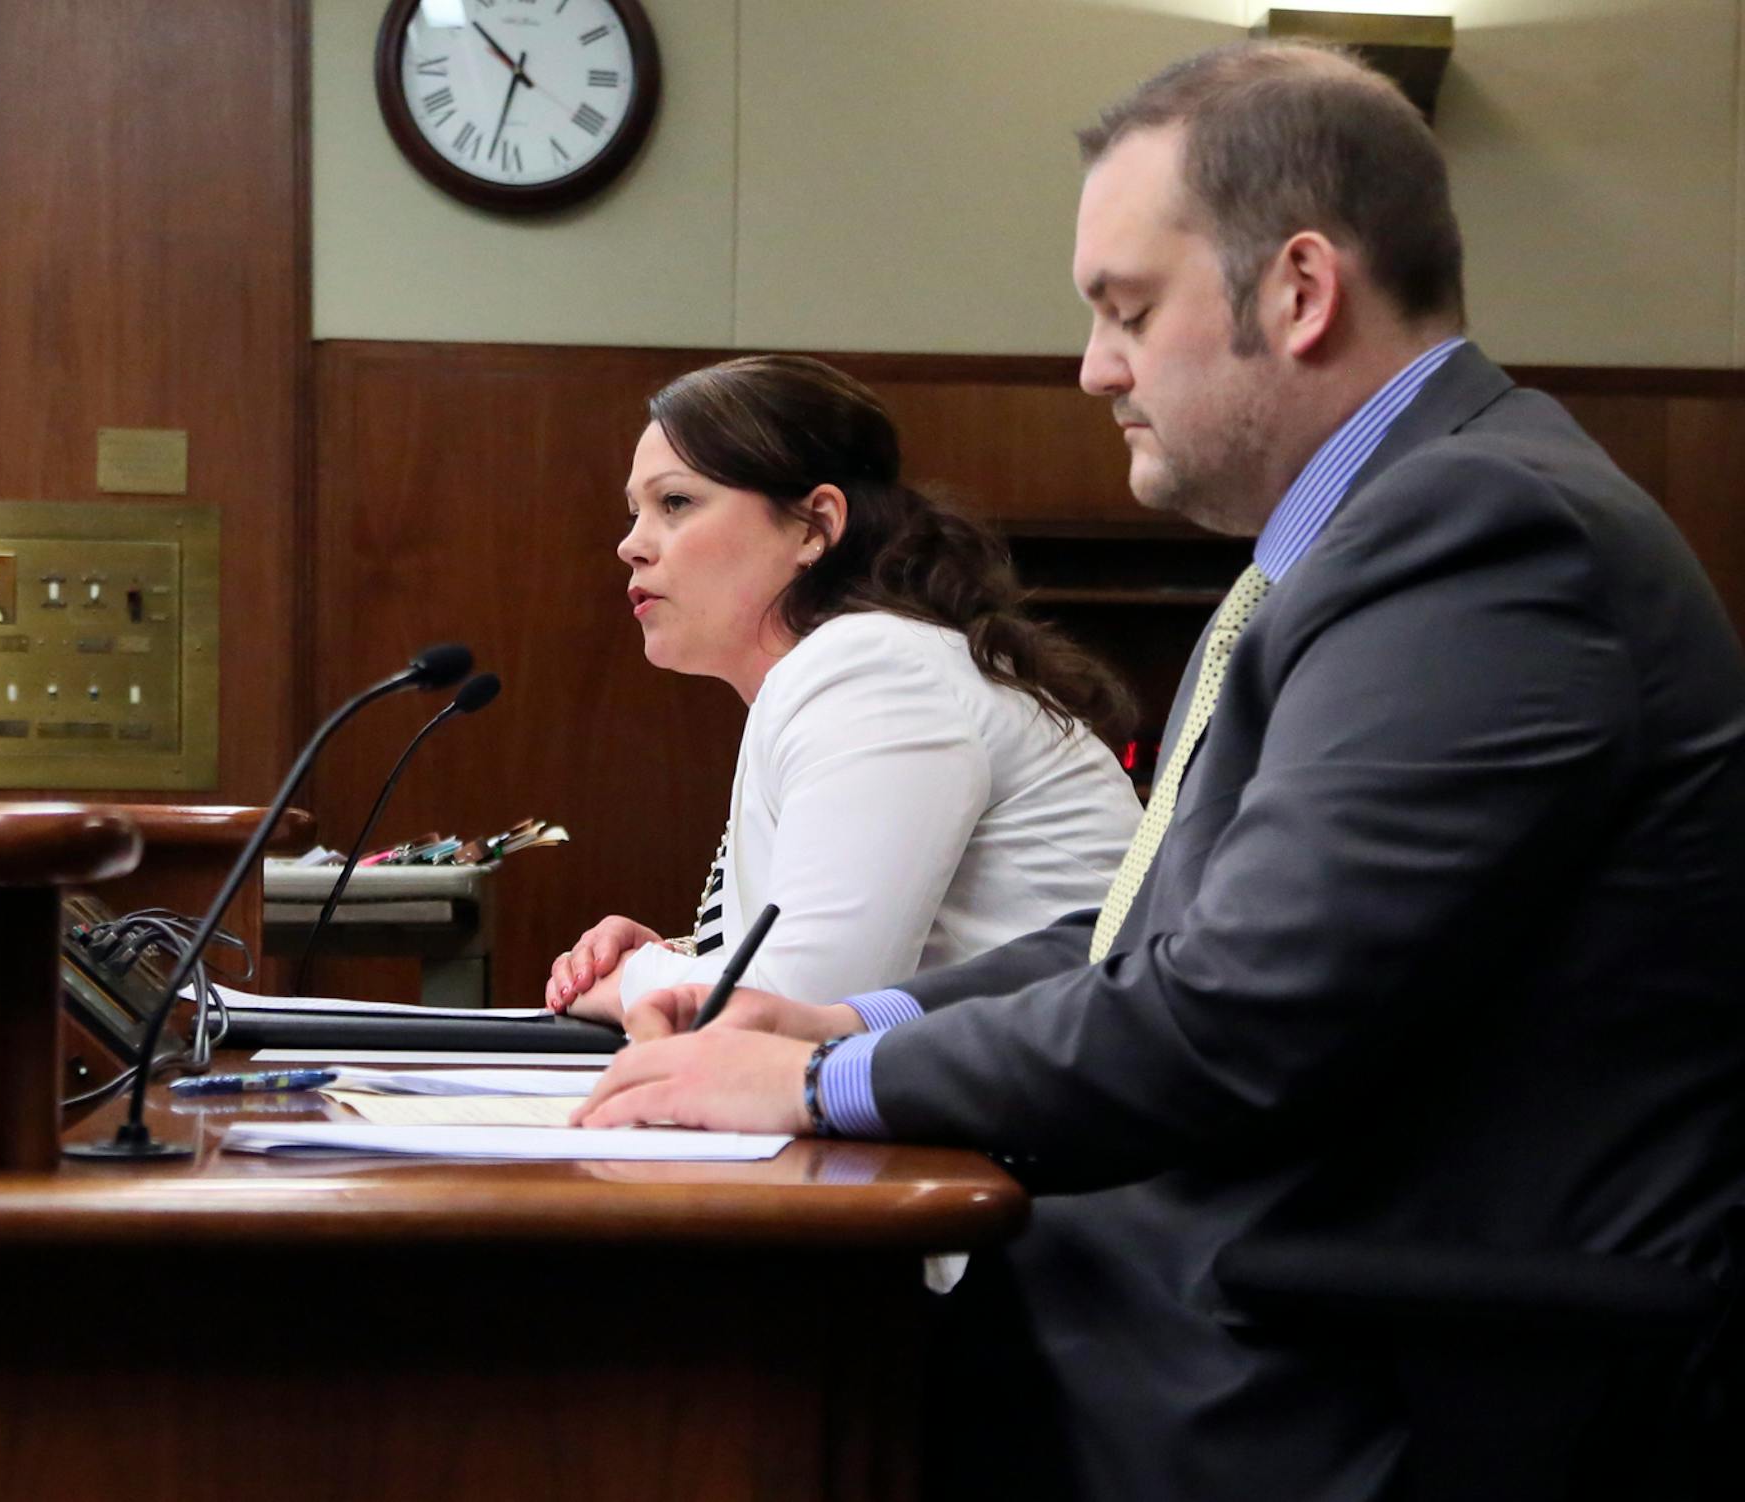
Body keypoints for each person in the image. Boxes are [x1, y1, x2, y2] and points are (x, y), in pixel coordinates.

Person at [574, 42, 1745, 1502]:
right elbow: (1156, 935)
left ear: (1300, 291)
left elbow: (1241, 1006)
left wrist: (821, 1078)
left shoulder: (1484, 539)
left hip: (1370, 1359)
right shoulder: (1370, 533)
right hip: (1246, 1284)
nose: (1094, 368)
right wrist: (849, 1014)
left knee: (705, 1393)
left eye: (1126, 310)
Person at [544, 354, 1142, 1023]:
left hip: (1058, 1112)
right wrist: (679, 956)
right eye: (635, 512)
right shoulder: (854, 666)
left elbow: (796, 1011)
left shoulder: (871, 668)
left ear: (814, 526)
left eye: (676, 502)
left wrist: (634, 978)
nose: (632, 545)